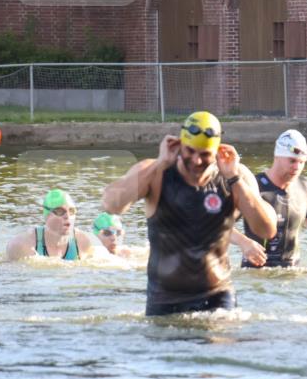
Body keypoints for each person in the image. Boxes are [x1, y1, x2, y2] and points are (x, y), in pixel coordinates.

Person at [102, 111, 277, 316]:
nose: (196, 160)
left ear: (218, 151)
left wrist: (234, 178)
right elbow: (111, 204)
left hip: (218, 295)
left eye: (205, 154)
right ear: (179, 144)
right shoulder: (155, 172)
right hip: (164, 297)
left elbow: (266, 230)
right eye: (190, 151)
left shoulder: (234, 177)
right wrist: (160, 163)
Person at [231, 129, 307, 269]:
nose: (297, 167)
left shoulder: (303, 186)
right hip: (257, 275)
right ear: (277, 156)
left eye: (301, 162)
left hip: (292, 275)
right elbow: (221, 226)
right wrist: (244, 242)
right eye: (292, 161)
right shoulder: (254, 187)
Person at [6, 189, 104, 260]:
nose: (67, 216)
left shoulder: (82, 242)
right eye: (60, 211)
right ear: (46, 215)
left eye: (72, 211)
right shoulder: (22, 245)